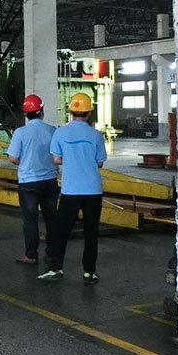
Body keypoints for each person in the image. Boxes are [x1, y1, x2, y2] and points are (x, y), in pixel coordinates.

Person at [38, 92, 107, 284]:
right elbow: (99, 162)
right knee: (91, 232)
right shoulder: (96, 135)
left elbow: (56, 159)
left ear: (70, 112)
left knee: (62, 231)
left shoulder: (60, 133)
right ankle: (89, 273)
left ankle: (56, 269)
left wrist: (71, 158)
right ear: (89, 113)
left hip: (71, 190)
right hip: (93, 191)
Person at [6, 94, 59, 265]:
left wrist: (24, 162)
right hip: (49, 180)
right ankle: (52, 252)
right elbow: (58, 156)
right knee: (51, 219)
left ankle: (31, 255)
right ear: (42, 112)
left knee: (30, 220)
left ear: (25, 114)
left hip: (28, 183)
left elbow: (13, 158)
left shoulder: (20, 132)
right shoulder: (53, 131)